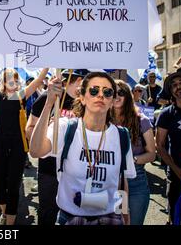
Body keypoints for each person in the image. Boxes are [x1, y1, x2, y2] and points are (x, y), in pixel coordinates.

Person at [30, 72, 136, 225]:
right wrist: (49, 103)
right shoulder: (66, 127)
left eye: (107, 92)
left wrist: (126, 217)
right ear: (82, 97)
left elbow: (122, 184)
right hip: (70, 218)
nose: (100, 95)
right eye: (94, 90)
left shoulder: (121, 136)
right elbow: (36, 150)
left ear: (112, 101)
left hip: (110, 218)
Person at [0, 66, 49, 225]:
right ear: (4, 82)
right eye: (9, 80)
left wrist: (46, 65)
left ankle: (9, 223)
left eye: (15, 80)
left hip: (17, 146)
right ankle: (5, 213)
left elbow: (38, 81)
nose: (12, 83)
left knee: (13, 186)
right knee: (0, 186)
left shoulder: (21, 96)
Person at [26, 69, 88, 225]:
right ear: (80, 80)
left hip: (77, 170)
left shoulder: (87, 103)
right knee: (48, 212)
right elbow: (29, 130)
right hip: (50, 168)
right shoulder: (49, 98)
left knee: (77, 214)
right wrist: (49, 128)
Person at [156, 71, 181, 224]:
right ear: (171, 91)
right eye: (174, 85)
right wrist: (176, 169)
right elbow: (159, 145)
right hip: (176, 172)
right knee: (176, 214)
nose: (178, 87)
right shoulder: (166, 114)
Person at [113, 80, 156, 225]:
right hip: (110, 180)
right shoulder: (101, 120)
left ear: (128, 96)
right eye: (112, 92)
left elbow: (152, 153)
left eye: (121, 92)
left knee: (134, 222)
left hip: (135, 181)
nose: (117, 96)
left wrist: (131, 160)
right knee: (116, 222)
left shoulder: (141, 121)